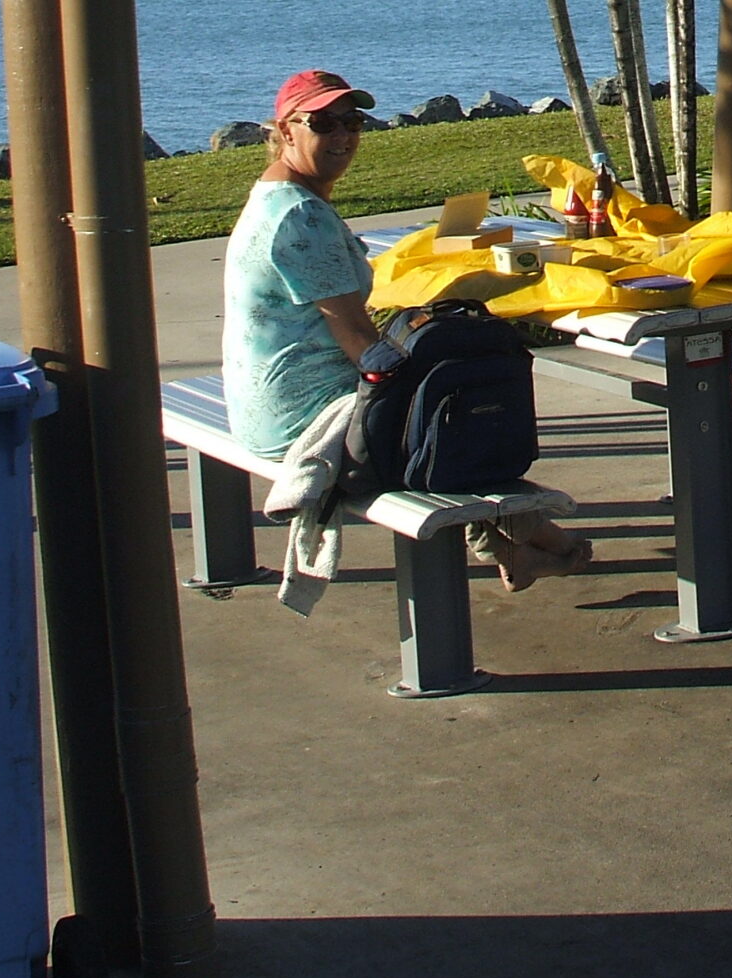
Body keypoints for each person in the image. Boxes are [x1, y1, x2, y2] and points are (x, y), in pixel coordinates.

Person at [222, 68, 588, 590]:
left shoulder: (275, 196)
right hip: (299, 416)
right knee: (456, 401)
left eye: (353, 121)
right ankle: (551, 542)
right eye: (323, 123)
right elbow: (358, 343)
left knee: (446, 390)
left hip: (262, 401)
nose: (343, 136)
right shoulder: (301, 219)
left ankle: (508, 543)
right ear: (286, 131)